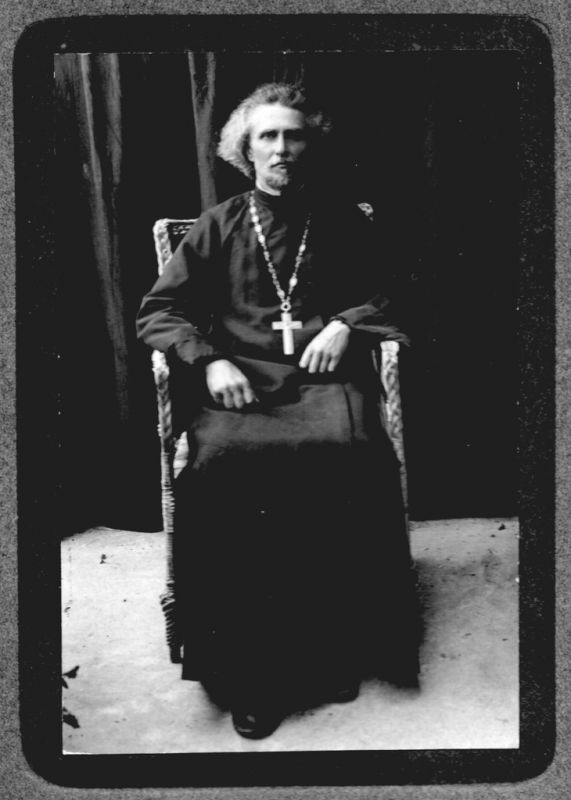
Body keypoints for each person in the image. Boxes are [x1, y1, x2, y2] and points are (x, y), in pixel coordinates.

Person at [136, 83, 420, 740]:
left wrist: (348, 323)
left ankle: (332, 649)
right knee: (220, 466)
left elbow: (394, 288)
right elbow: (160, 310)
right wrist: (209, 360)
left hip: (324, 384)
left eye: (293, 135)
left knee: (349, 453)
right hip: (240, 387)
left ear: (309, 145)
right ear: (246, 149)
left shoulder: (343, 219)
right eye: (268, 136)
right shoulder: (218, 224)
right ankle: (251, 672)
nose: (281, 148)